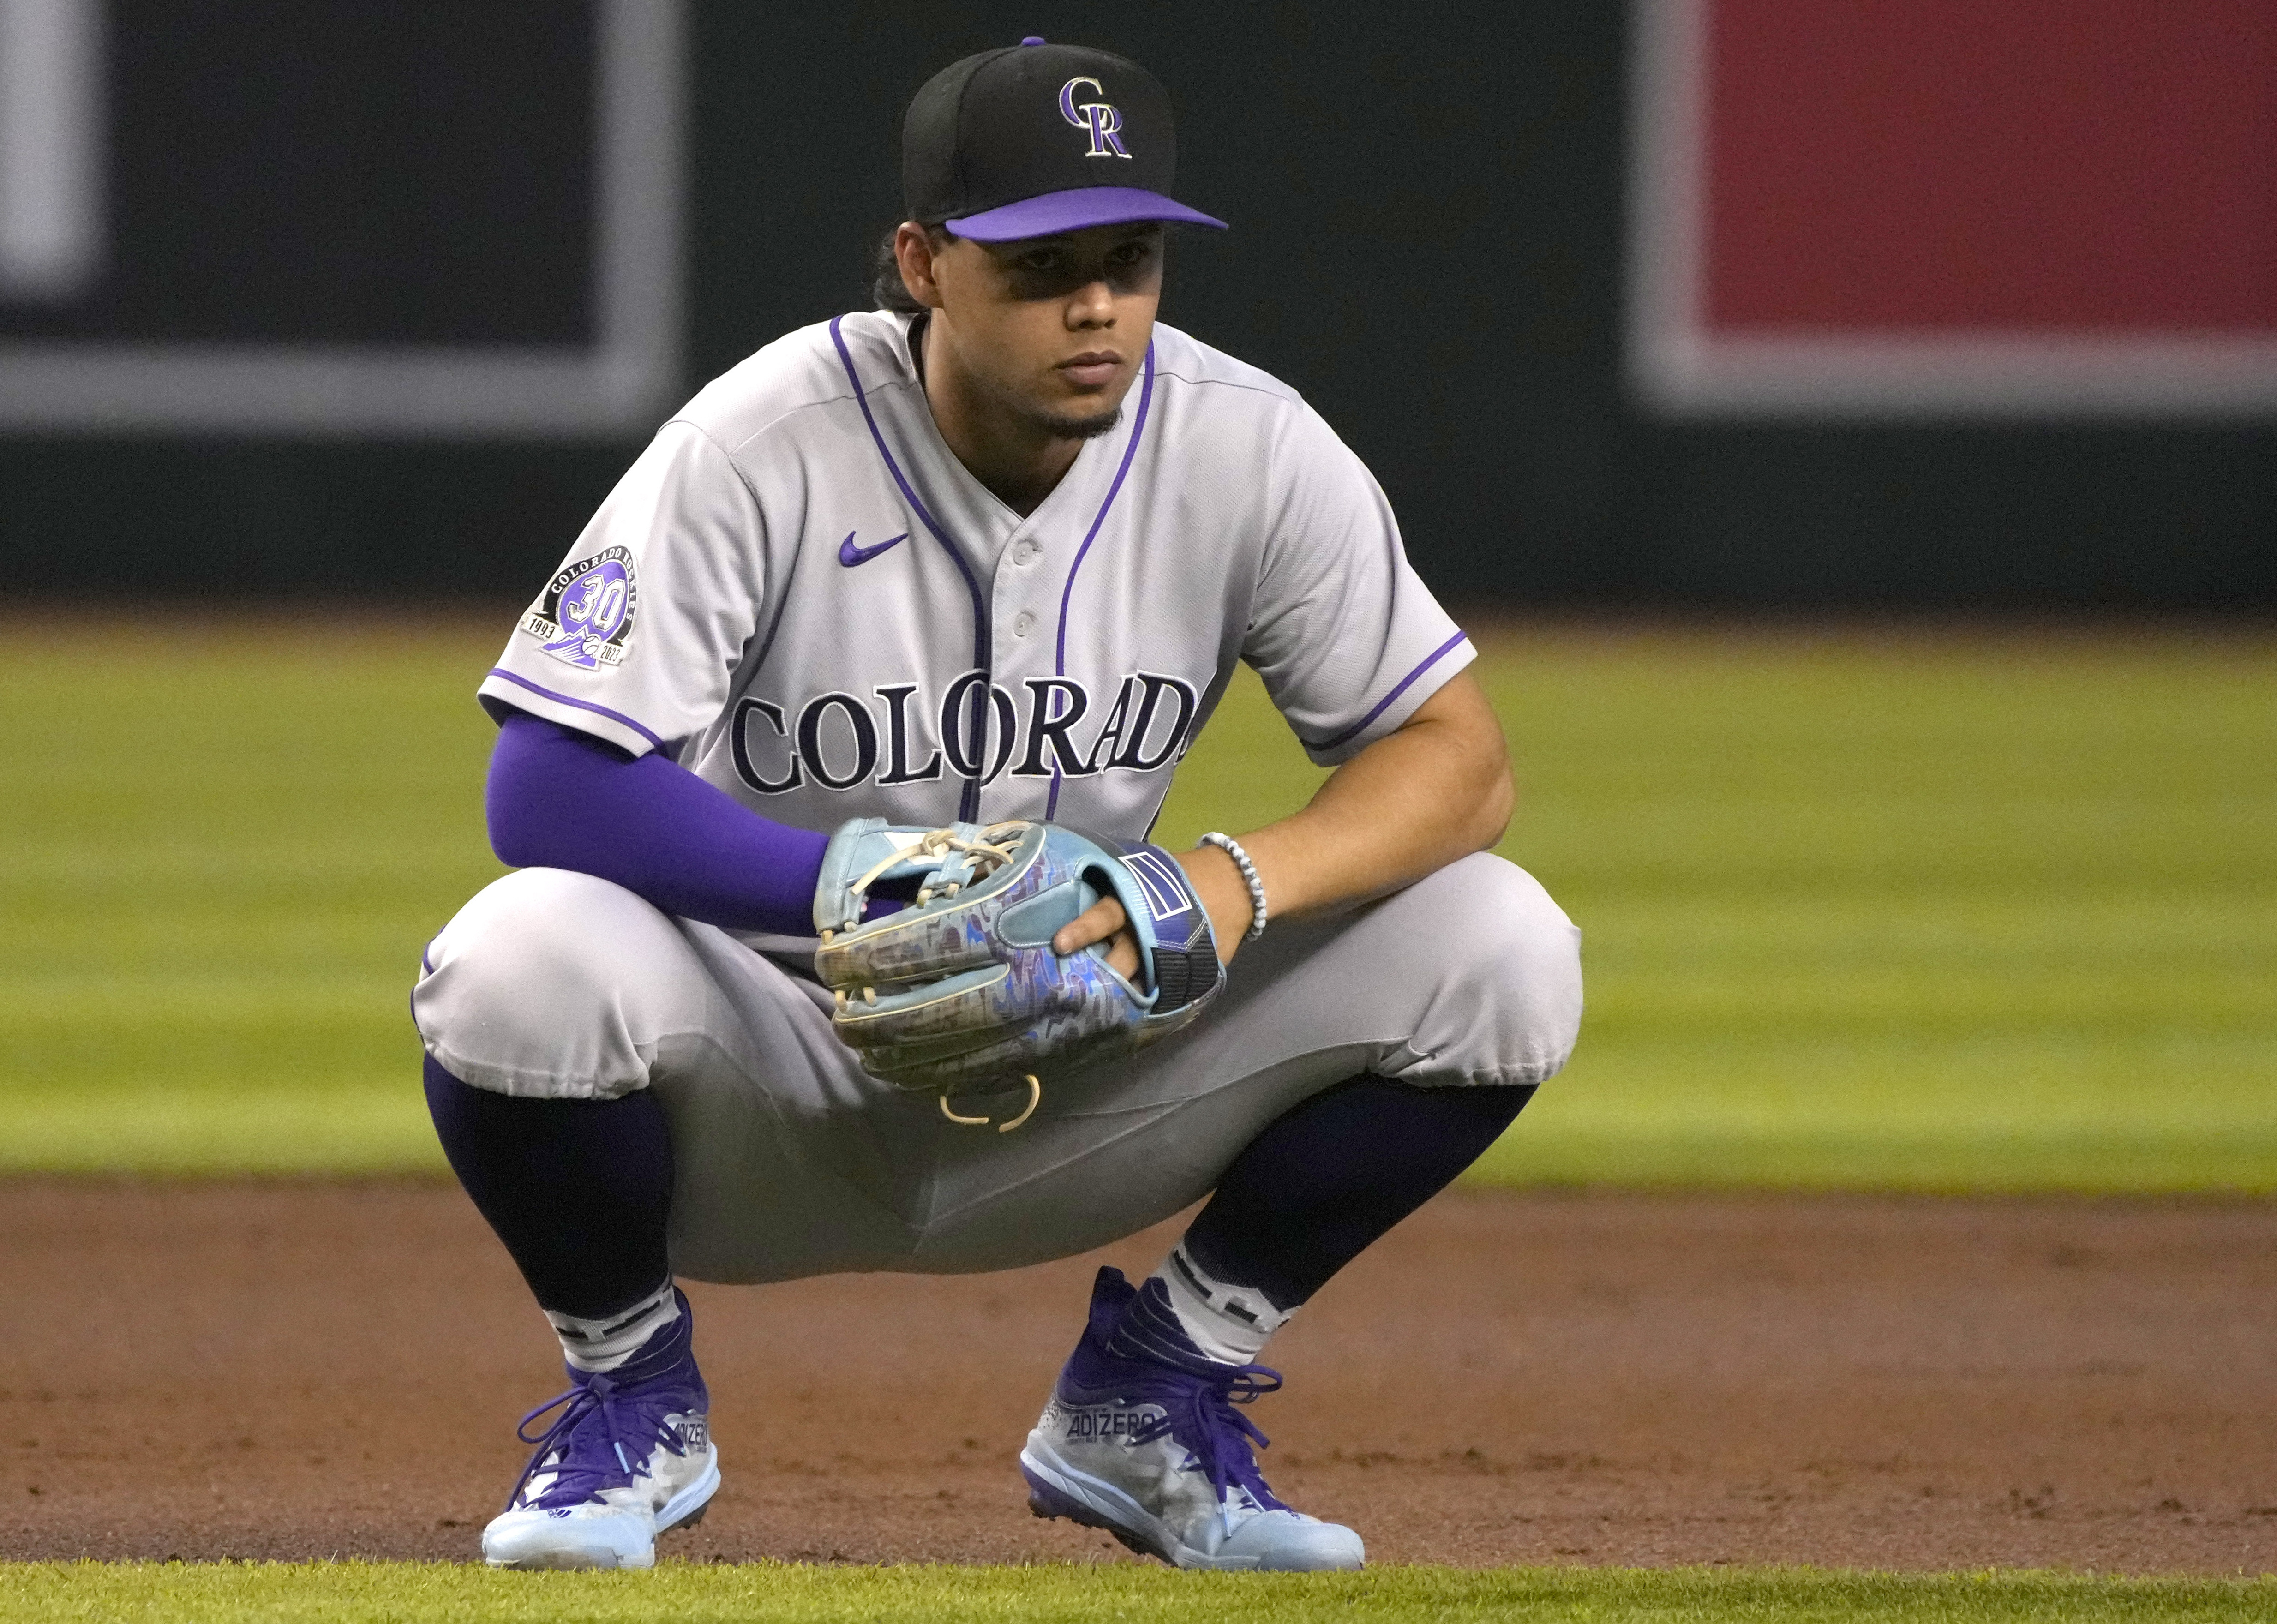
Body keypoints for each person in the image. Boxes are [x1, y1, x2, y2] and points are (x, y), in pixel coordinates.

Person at [411, 37, 1582, 1572]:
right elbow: (545, 781)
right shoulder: (758, 442)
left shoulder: (1250, 447)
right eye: (1041, 267)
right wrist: (849, 890)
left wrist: (1218, 886)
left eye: (1130, 260)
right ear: (924, 265)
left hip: (1087, 1073)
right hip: (766, 1081)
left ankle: (1156, 1395)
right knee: (515, 960)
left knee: (1505, 948)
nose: (1097, 307)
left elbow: (1460, 759)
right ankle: (633, 1395)